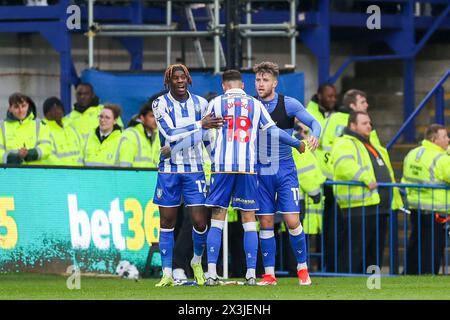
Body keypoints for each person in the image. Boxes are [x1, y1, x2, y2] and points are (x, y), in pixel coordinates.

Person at [202, 69, 306, 286]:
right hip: (248, 168)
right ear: (242, 85)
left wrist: (214, 155)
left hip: (222, 167)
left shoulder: (214, 103)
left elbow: (204, 135)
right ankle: (251, 273)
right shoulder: (254, 104)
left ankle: (211, 272)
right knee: (249, 220)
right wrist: (297, 143)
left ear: (224, 86)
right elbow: (273, 131)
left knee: (217, 218)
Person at [151, 64, 223, 287]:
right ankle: (166, 273)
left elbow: (207, 138)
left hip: (195, 170)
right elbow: (170, 133)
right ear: (168, 81)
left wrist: (217, 163)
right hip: (169, 171)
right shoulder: (159, 103)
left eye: (184, 78)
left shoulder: (201, 103)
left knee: (200, 222)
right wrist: (199, 124)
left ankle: (196, 262)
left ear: (189, 80)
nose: (180, 81)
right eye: (176, 78)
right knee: (167, 221)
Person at [252, 61, 321, 286]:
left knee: (292, 220)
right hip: (260, 171)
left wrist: (316, 134)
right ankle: (269, 274)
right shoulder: (251, 105)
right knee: (266, 221)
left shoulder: (288, 104)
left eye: (265, 80)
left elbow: (313, 122)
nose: (261, 84)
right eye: (258, 80)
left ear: (275, 82)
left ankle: (302, 269)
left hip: (285, 170)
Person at [331, 111, 403, 274]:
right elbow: (344, 165)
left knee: (374, 253)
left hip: (379, 206)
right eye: (364, 123)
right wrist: (366, 178)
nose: (369, 126)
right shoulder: (344, 143)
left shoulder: (374, 145)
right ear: (352, 125)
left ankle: (372, 285)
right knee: (354, 252)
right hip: (359, 207)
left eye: (370, 123)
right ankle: (347, 286)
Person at [402, 124, 450, 274]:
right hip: (437, 212)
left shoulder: (413, 154)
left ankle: (409, 277)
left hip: (416, 209)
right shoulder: (441, 159)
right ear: (434, 139)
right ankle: (428, 279)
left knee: (415, 245)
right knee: (432, 250)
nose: (448, 139)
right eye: (445, 136)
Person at [306, 84, 340, 272]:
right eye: (329, 96)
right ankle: (305, 267)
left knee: (326, 229)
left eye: (335, 96)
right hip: (310, 179)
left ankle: (323, 266)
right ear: (319, 96)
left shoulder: (335, 117)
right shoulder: (307, 114)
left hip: (328, 181)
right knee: (305, 227)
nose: (333, 99)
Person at [0, 93, 51, 165]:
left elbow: (47, 148)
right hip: (10, 174)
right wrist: (12, 158)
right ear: (10, 109)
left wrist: (29, 154)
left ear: (28, 106)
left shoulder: (40, 124)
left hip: (35, 173)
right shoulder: (1, 126)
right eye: (16, 107)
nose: (20, 110)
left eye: (23, 106)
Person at [39, 97, 83, 166]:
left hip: (78, 172)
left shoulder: (71, 127)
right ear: (46, 114)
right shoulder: (43, 129)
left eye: (58, 108)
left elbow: (81, 149)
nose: (56, 111)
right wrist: (64, 171)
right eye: (52, 109)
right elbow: (48, 155)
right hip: (58, 173)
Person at [118, 101, 160, 168]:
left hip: (153, 177)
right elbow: (125, 165)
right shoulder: (130, 134)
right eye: (152, 116)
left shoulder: (159, 136)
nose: (156, 120)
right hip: (134, 178)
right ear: (142, 118)